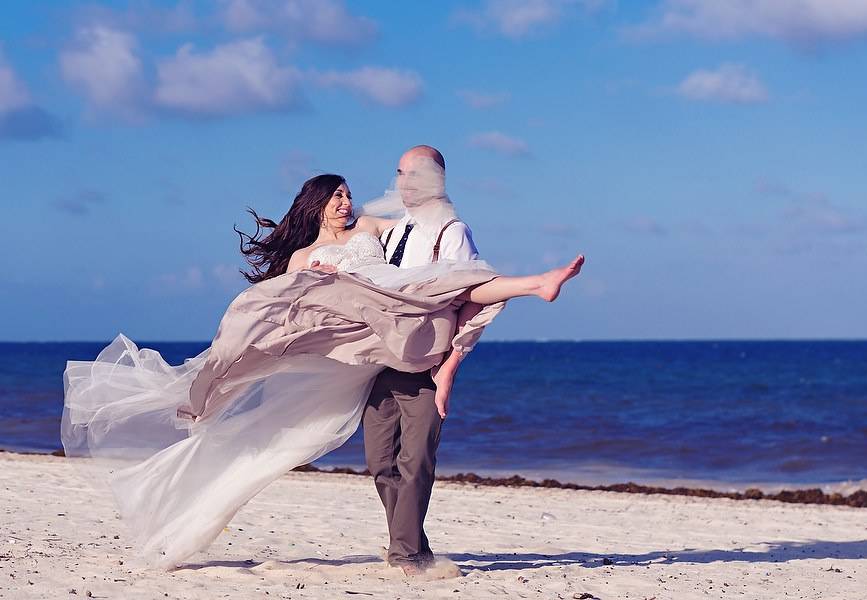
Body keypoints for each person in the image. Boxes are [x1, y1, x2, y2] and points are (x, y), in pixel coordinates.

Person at [60, 148, 582, 572]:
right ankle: (407, 544)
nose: (345, 202)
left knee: (448, 286)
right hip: (353, 350)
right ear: (316, 204)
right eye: (336, 195)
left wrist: (424, 187)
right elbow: (284, 312)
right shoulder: (302, 257)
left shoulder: (373, 228)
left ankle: (537, 283)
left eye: (348, 194)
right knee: (352, 456)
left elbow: (416, 218)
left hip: (395, 331)